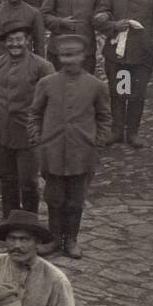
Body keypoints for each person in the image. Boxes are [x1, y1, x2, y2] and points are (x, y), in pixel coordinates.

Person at [29, 34, 111, 259]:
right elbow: (35, 114)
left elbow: (104, 117)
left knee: (75, 200)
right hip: (53, 151)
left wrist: (97, 143)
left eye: (73, 55)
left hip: (82, 153)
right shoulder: (47, 84)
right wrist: (38, 140)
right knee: (54, 198)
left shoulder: (96, 85)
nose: (69, 60)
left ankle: (72, 239)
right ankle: (55, 238)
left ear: (83, 56)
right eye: (64, 55)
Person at [0, 25, 54, 218]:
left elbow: (49, 100)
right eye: (10, 40)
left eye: (19, 39)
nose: (14, 44)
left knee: (28, 182)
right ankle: (10, 217)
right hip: (1, 131)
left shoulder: (42, 66)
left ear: (28, 41)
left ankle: (29, 220)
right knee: (7, 179)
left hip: (28, 133)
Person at [96, 0, 153, 147]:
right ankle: (116, 131)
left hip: (142, 57)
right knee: (118, 92)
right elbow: (98, 19)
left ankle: (132, 133)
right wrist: (115, 25)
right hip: (118, 57)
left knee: (137, 94)